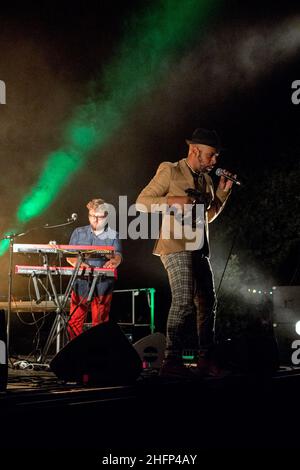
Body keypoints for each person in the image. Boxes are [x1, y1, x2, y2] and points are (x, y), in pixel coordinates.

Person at [136, 128, 234, 377]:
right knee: (182, 301)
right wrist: (171, 201)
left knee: (207, 302)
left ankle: (206, 358)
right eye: (211, 155)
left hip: (198, 247)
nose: (215, 161)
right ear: (194, 151)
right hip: (175, 245)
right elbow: (142, 202)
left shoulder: (207, 181)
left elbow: (208, 216)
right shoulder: (170, 170)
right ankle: (171, 360)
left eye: (217, 157)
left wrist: (223, 192)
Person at [66, 198, 122, 339]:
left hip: (103, 282)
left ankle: (97, 355)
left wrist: (115, 261)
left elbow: (118, 255)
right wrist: (78, 264)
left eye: (99, 217)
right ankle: (75, 352)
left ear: (107, 216)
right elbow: (70, 256)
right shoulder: (78, 233)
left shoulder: (113, 234)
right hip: (81, 280)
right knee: (75, 320)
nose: (95, 220)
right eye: (92, 216)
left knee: (100, 322)